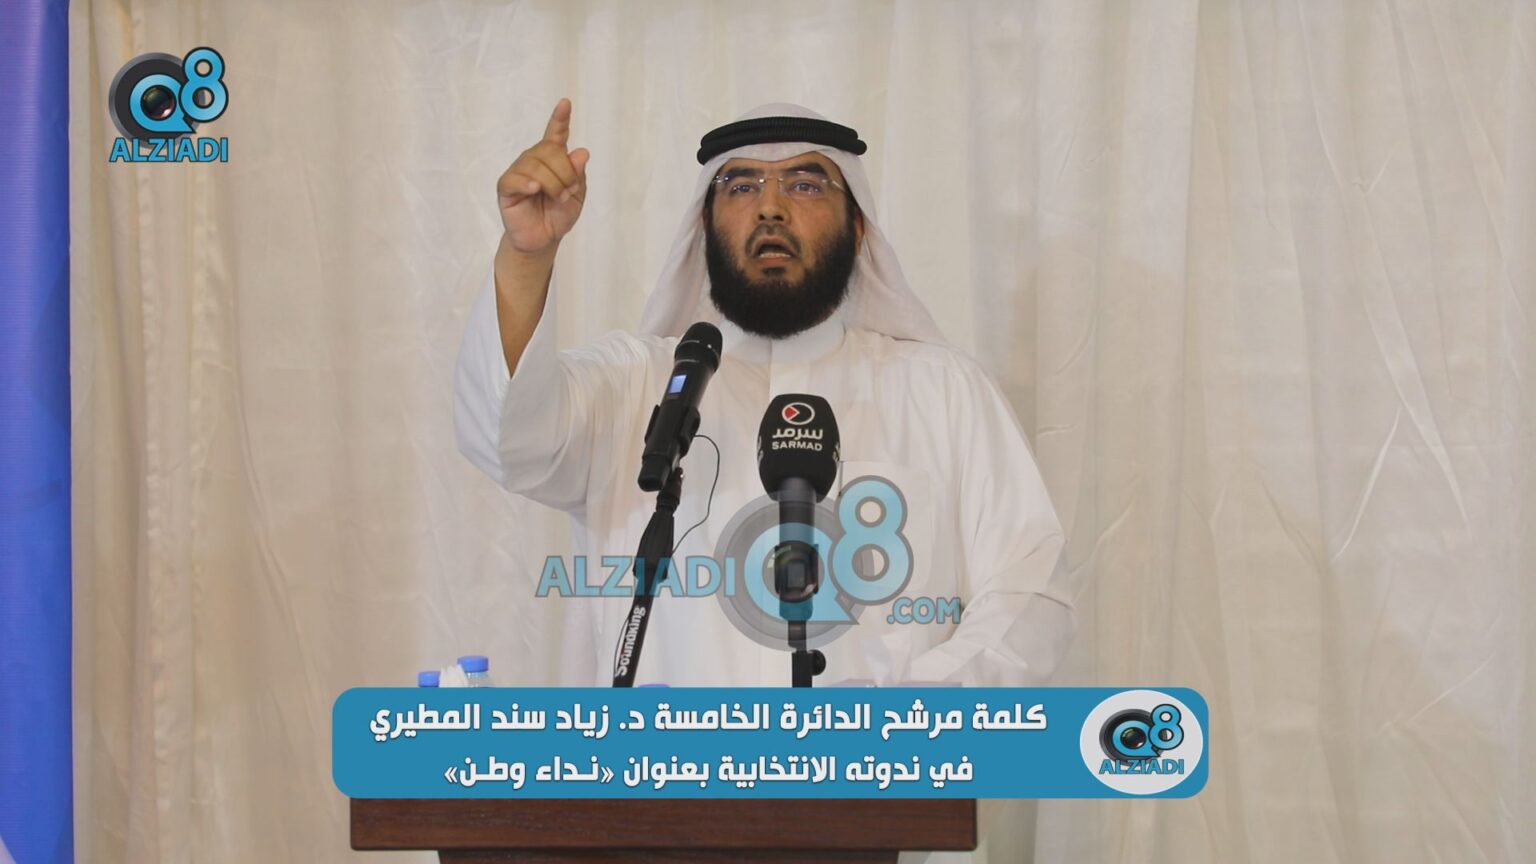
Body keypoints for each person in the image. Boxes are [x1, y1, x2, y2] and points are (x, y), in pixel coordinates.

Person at [455, 99, 1075, 688]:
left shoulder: (943, 392)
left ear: (858, 227)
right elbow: (510, 440)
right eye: (741, 186)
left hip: (882, 762)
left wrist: (903, 715)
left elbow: (1029, 591)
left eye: (805, 185)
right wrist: (527, 255)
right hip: (666, 764)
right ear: (705, 226)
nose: (770, 208)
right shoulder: (638, 384)